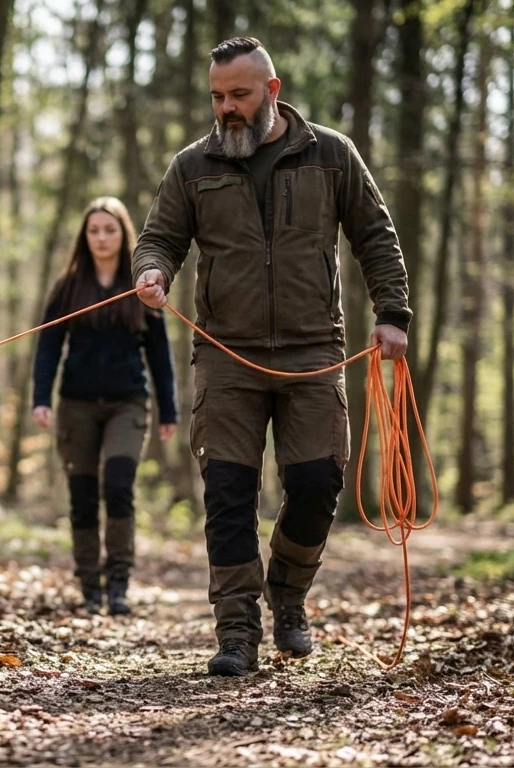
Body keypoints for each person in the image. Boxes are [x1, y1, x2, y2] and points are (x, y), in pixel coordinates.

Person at [132, 37, 411, 676]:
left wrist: (392, 313)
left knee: (317, 485)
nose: (226, 108)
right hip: (226, 355)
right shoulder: (192, 166)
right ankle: (236, 633)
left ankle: (287, 595)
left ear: (272, 91)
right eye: (217, 96)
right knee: (228, 493)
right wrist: (152, 271)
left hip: (314, 349)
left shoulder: (332, 155)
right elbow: (160, 237)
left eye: (239, 94)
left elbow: (376, 236)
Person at [32, 196, 179, 617]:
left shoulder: (143, 289)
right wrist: (41, 399)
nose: (101, 237)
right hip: (75, 404)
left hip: (128, 404)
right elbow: (48, 348)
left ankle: (118, 584)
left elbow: (160, 353)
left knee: (118, 487)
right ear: (85, 237)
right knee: (82, 497)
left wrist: (168, 410)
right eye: (94, 230)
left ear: (123, 234)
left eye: (109, 230)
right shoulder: (67, 287)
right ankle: (89, 584)